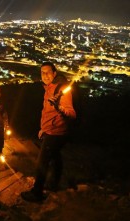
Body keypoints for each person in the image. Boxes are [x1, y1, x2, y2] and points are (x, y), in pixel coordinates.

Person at [21, 61, 76, 202]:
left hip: (56, 133)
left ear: (54, 73)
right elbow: (47, 112)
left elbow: (71, 113)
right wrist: (43, 129)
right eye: (42, 72)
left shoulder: (61, 89)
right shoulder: (49, 88)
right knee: (56, 158)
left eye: (48, 72)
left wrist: (59, 108)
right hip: (49, 130)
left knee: (42, 163)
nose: (45, 75)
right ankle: (53, 184)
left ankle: (37, 193)